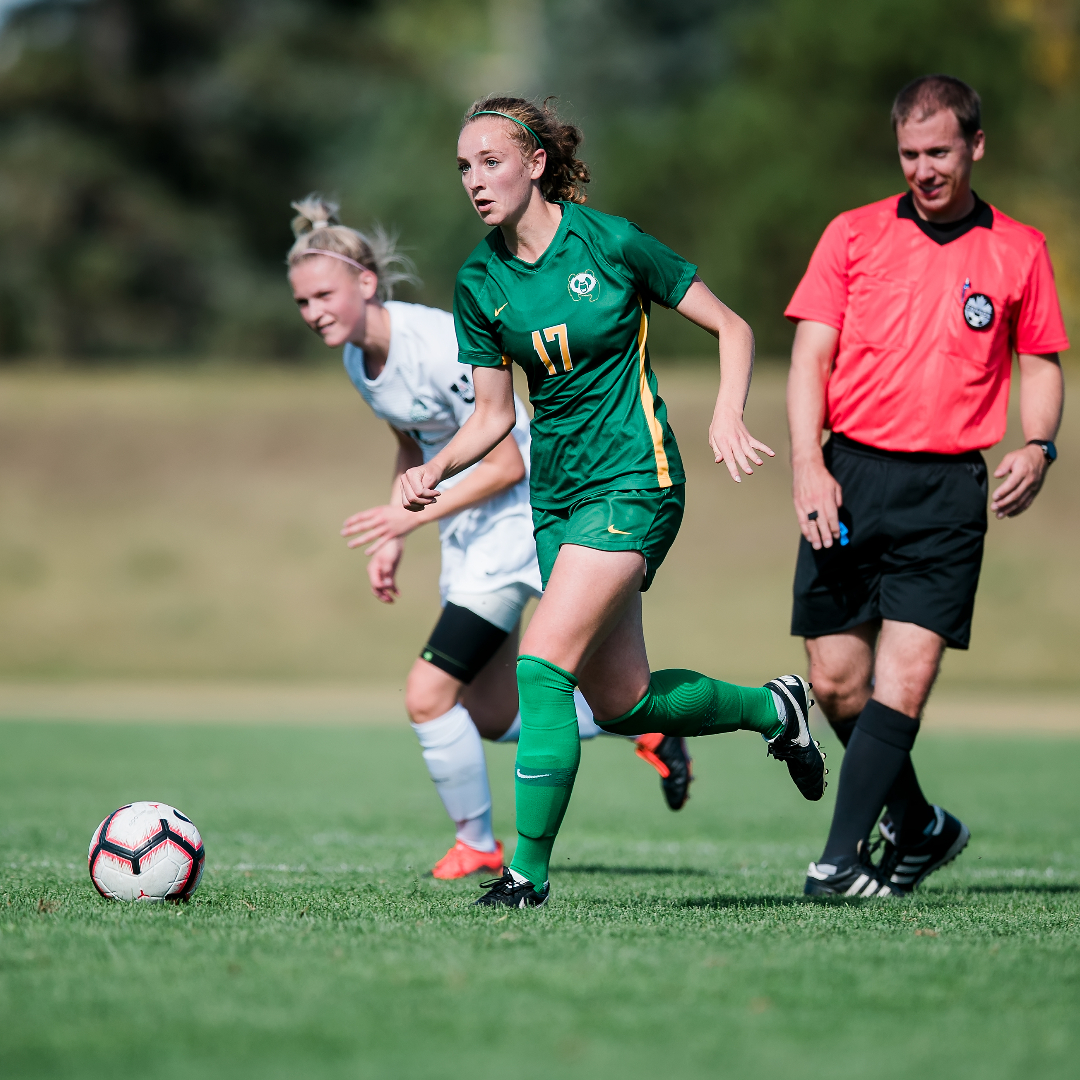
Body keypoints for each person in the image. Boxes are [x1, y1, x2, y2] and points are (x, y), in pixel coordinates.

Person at [400, 96, 827, 909]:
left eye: (490, 161)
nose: (474, 180)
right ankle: (775, 708)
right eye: (463, 166)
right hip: (555, 498)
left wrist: (728, 411)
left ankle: (524, 874)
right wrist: (437, 472)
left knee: (539, 665)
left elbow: (733, 328)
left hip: (637, 479)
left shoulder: (612, 240)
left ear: (535, 163)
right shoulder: (478, 279)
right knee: (623, 701)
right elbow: (493, 417)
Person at [286, 196, 692, 881]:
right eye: (302, 303)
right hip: (471, 535)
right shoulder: (360, 359)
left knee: (428, 693)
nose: (314, 311)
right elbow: (411, 443)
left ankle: (479, 845)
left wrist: (408, 517)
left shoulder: (433, 344)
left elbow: (507, 459)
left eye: (324, 294)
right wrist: (396, 532)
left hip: (519, 523)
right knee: (492, 713)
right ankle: (648, 726)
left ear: (365, 283)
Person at [785, 75, 1068, 898]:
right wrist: (808, 463)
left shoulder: (1020, 250)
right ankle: (920, 824)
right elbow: (810, 356)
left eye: (939, 151)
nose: (923, 169)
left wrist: (1039, 445)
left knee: (901, 679)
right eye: (910, 154)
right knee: (837, 681)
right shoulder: (852, 235)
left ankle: (837, 864)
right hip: (848, 475)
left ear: (975, 146)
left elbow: (1041, 361)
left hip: (947, 493)